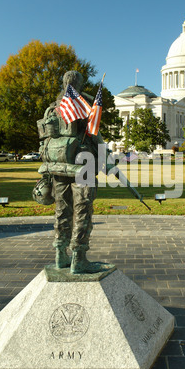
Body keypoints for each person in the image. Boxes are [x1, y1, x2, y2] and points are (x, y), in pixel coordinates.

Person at [37, 70, 111, 274]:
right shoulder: (82, 105)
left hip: (58, 166)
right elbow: (95, 133)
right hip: (82, 163)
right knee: (82, 210)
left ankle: (60, 254)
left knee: (62, 209)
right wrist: (108, 159)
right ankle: (78, 257)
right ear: (79, 83)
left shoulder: (52, 109)